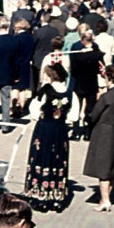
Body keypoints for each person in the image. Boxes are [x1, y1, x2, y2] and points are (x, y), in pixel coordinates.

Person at [23, 65, 73, 211]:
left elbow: (34, 109)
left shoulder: (46, 90)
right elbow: (73, 116)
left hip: (44, 129)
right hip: (60, 130)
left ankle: (39, 196)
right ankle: (56, 198)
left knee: (40, 158)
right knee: (58, 160)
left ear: (51, 77)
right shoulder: (70, 93)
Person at [84, 65, 114, 211]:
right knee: (112, 167)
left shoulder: (108, 96)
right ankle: (106, 197)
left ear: (109, 78)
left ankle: (105, 200)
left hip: (104, 134)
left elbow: (93, 115)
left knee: (103, 169)